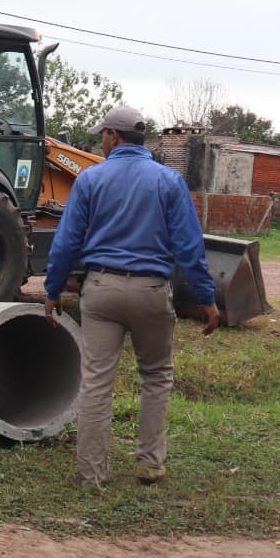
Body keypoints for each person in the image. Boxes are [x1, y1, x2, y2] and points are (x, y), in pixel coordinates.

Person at [43, 104, 220, 492]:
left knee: (96, 382)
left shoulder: (91, 180)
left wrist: (53, 290)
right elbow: (189, 247)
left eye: (102, 135)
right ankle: (150, 465)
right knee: (156, 376)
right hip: (151, 291)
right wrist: (207, 298)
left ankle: (92, 475)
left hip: (101, 290)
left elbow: (67, 242)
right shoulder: (169, 181)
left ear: (113, 136)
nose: (100, 142)